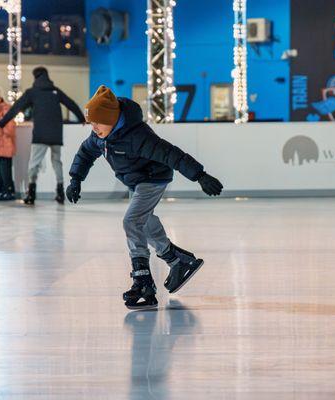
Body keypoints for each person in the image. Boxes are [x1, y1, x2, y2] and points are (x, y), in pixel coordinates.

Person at [66, 86, 223, 310]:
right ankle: (177, 261)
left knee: (132, 221)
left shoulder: (138, 136)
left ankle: (142, 280)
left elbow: (171, 154)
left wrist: (200, 175)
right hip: (135, 181)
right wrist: (76, 179)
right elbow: (85, 153)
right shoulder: (101, 136)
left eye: (97, 123)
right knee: (146, 222)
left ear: (111, 118)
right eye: (91, 124)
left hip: (152, 179)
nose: (93, 128)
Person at [0, 66, 85, 205]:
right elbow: (71, 104)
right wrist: (82, 119)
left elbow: (16, 108)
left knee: (34, 163)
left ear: (35, 77)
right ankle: (60, 193)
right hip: (56, 133)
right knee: (57, 161)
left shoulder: (32, 92)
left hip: (40, 134)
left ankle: (31, 194)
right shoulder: (55, 91)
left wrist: (1, 123)